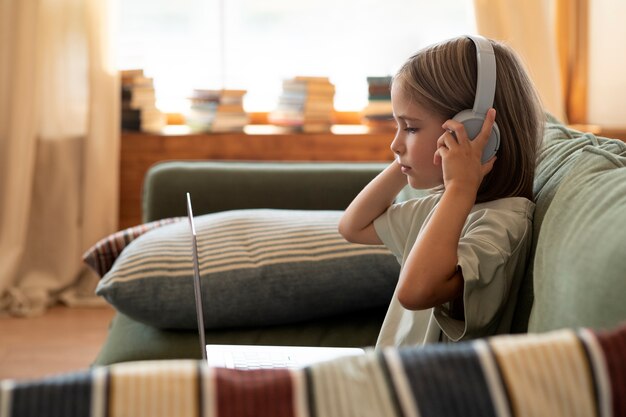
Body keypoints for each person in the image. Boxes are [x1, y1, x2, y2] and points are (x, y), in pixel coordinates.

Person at [338, 36, 544, 348]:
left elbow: (416, 291)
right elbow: (353, 227)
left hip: (430, 392)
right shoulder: (438, 207)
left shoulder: (502, 227)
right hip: (391, 378)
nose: (394, 145)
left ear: (474, 133)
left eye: (410, 128)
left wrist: (460, 188)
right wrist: (405, 160)